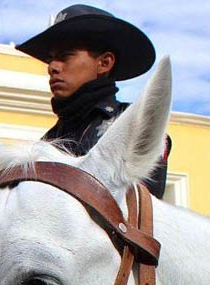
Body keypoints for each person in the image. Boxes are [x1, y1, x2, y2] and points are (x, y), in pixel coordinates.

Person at [17, 4, 170, 197]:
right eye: (51, 60)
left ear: (104, 63)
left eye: (65, 56)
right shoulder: (45, 143)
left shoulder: (137, 127)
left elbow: (137, 212)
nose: (52, 67)